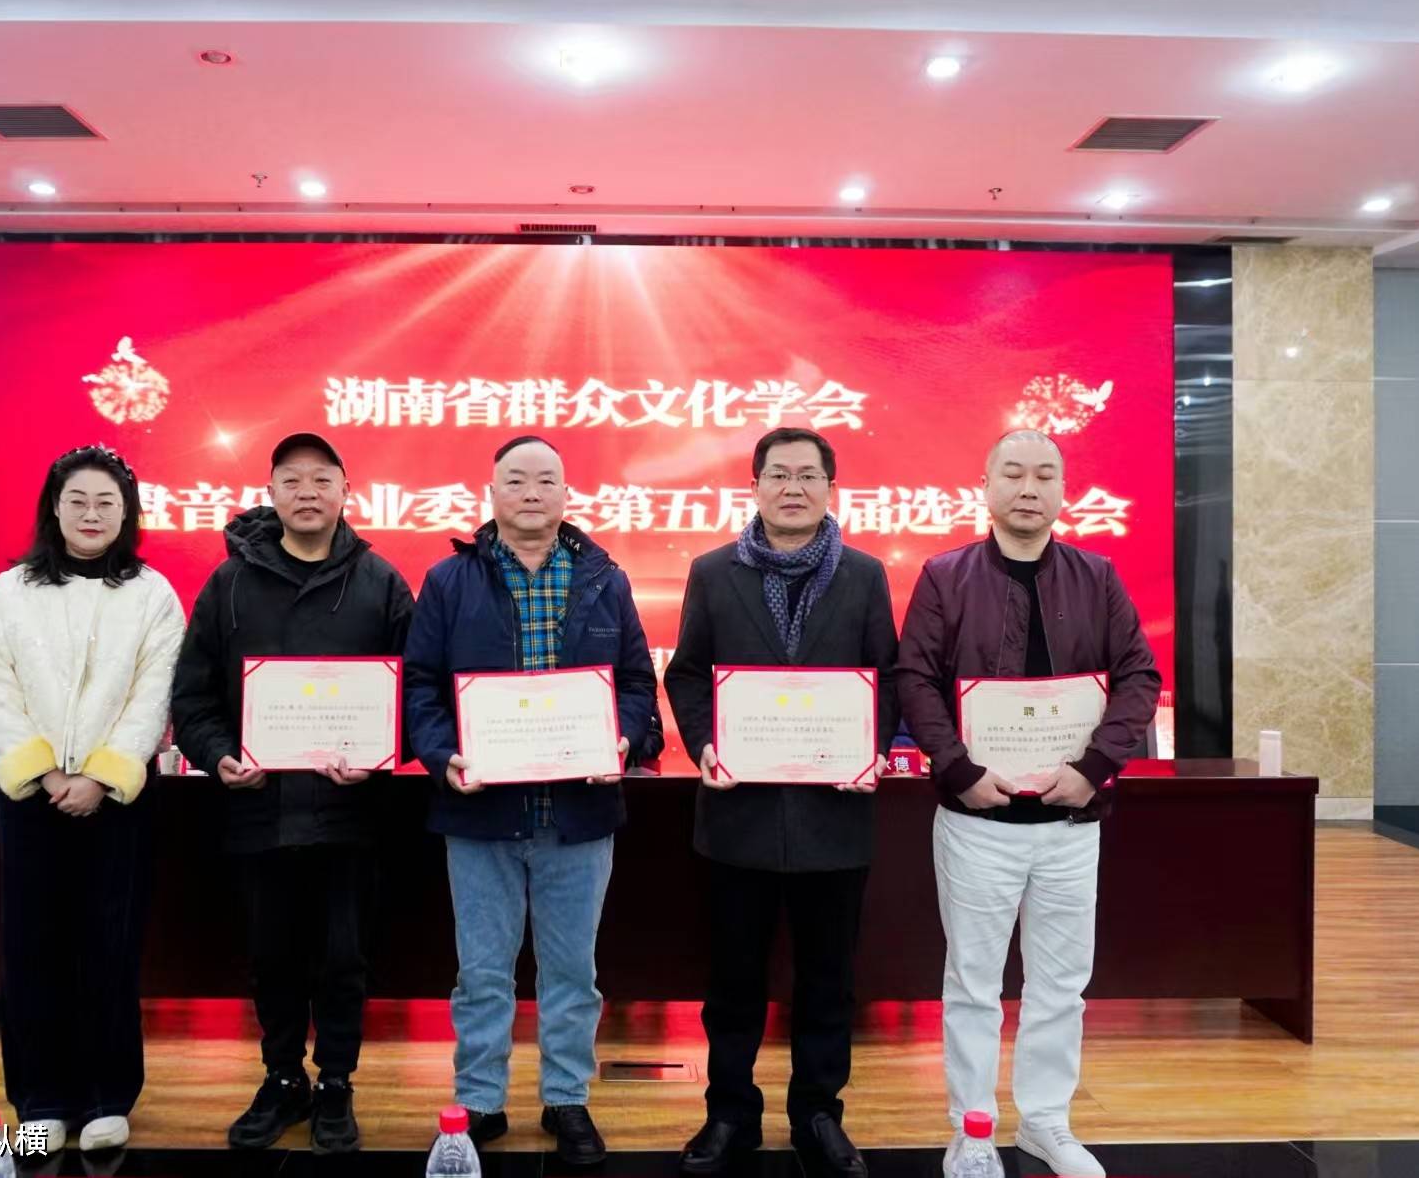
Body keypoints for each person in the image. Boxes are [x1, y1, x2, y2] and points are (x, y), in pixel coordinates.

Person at [894, 429, 1161, 1178]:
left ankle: (1046, 1122)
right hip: (978, 821)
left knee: (1062, 985)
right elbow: (914, 679)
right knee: (973, 986)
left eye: (1045, 475)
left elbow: (1139, 675)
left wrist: (1095, 768)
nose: (1028, 487)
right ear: (985, 486)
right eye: (1012, 473)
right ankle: (972, 1131)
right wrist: (957, 769)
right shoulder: (945, 576)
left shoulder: (1097, 577)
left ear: (1064, 491)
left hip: (1071, 822)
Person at [402, 435, 657, 1166]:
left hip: (578, 817)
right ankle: (480, 1100)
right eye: (516, 480)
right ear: (491, 494)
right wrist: (443, 755)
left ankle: (566, 1097)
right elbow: (420, 684)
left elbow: (636, 683)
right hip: (480, 814)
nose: (532, 492)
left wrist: (622, 741)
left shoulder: (605, 578)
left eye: (547, 480)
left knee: (573, 972)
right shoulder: (449, 580)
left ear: (567, 494)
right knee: (481, 973)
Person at [663, 428, 899, 1178]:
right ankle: (729, 1114)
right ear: (755, 486)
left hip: (835, 817)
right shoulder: (713, 572)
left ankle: (818, 1115)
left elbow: (886, 678)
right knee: (733, 982)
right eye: (778, 474)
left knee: (828, 983)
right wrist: (705, 743)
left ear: (830, 487)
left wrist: (871, 747)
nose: (792, 487)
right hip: (739, 817)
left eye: (808, 475)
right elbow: (687, 673)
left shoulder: (864, 575)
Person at [170, 432, 414, 1153]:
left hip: (349, 814)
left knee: (344, 957)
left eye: (322, 479)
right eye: (292, 480)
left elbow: (414, 691)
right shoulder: (228, 583)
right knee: (270, 955)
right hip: (259, 809)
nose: (308, 492)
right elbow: (193, 695)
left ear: (346, 492)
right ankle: (282, 1078)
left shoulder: (381, 582)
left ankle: (336, 1081)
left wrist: (377, 754)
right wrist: (218, 754)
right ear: (270, 492)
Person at [0, 444, 186, 1155]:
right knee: (33, 944)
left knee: (109, 942)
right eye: (78, 501)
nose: (92, 514)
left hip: (116, 799)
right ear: (54, 510)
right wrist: (42, 772)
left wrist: (102, 774)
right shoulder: (13, 590)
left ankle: (106, 1095)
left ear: (127, 514)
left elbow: (155, 691)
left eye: (106, 503)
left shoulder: (152, 593)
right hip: (31, 797)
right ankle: (40, 1096)